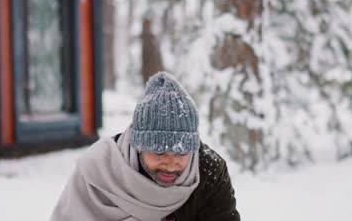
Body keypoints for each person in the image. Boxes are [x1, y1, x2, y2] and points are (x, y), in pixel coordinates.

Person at [50, 71, 240, 221]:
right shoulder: (99, 169)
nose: (170, 163)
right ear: (138, 146)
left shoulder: (209, 171)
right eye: (159, 151)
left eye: (181, 152)